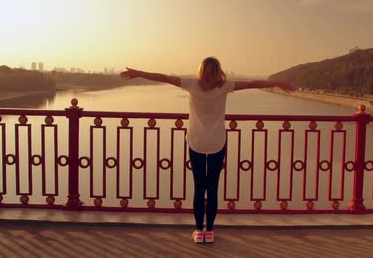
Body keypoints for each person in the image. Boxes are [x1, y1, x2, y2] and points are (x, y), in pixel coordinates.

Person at [120, 57, 295, 244]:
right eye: (210, 72)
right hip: (216, 145)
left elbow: (163, 77)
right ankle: (209, 231)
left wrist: (138, 73)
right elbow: (253, 83)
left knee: (199, 188)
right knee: (212, 189)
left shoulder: (192, 84)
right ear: (216, 72)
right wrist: (279, 83)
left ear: (204, 72)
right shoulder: (224, 86)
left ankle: (198, 230)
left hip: (196, 144)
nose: (209, 75)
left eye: (209, 72)